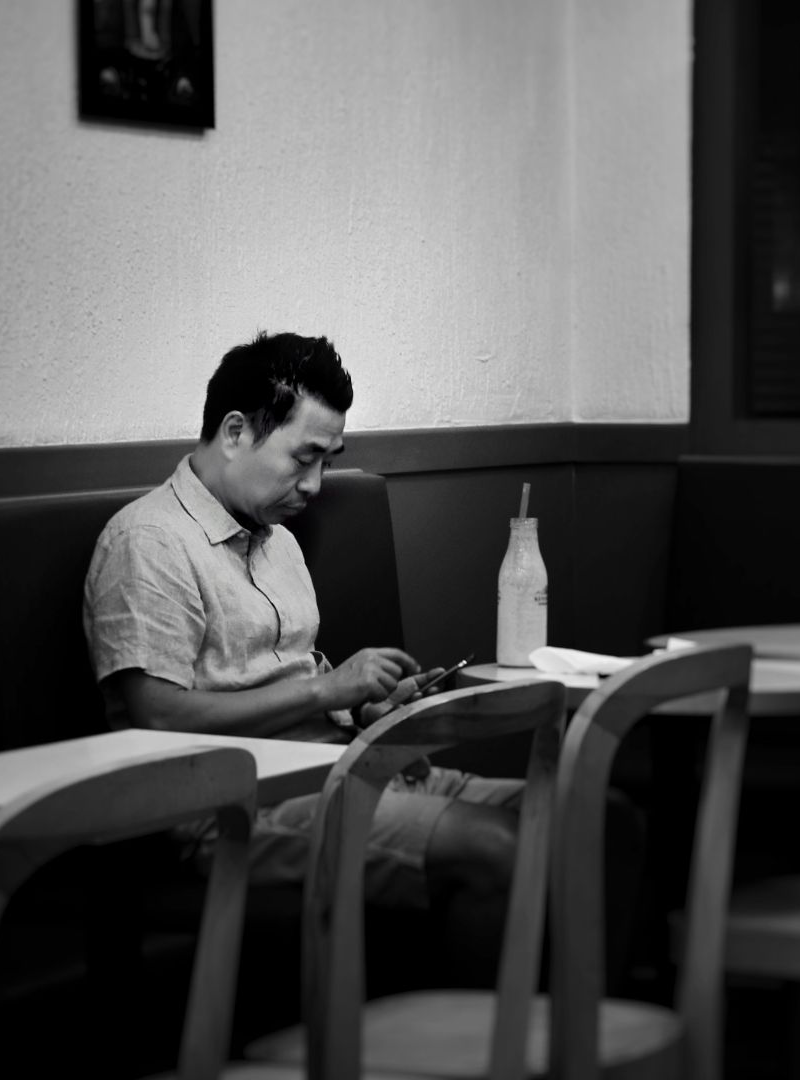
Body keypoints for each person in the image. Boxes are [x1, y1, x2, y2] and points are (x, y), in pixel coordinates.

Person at [83, 330, 639, 988]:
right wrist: (325, 694)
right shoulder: (149, 542)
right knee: (495, 848)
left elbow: (298, 685)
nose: (316, 484)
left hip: (346, 768)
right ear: (234, 432)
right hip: (235, 811)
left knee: (606, 817)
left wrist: (367, 706)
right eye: (304, 458)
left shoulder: (277, 541)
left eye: (328, 460)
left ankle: (585, 1038)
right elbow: (158, 719)